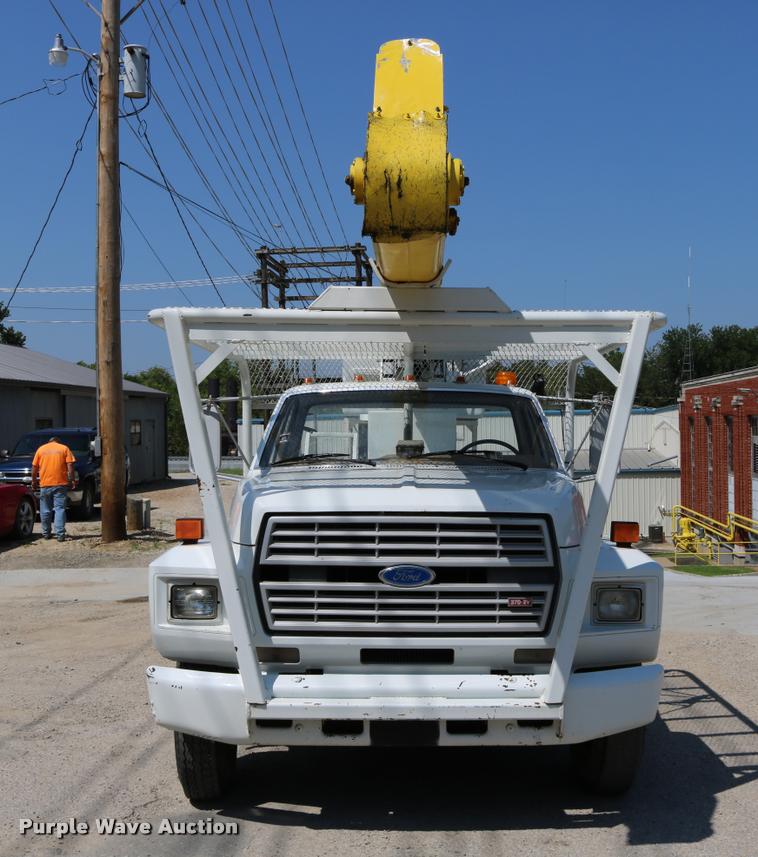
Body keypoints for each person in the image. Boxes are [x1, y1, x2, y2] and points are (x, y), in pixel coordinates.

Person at [31, 436, 77, 542]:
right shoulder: (64, 448)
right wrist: (72, 479)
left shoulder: (41, 449)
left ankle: (46, 533)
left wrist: (34, 481)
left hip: (44, 484)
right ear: (58, 441)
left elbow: (34, 467)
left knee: (45, 510)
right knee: (59, 509)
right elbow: (70, 464)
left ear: (49, 442)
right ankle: (60, 534)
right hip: (60, 484)